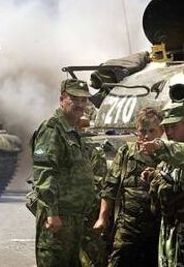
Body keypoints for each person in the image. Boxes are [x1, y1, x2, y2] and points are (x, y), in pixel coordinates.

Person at [31, 79, 95, 267]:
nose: (80, 105)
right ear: (62, 99)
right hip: (59, 217)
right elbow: (44, 171)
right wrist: (51, 213)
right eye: (75, 99)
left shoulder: (72, 131)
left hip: (74, 217)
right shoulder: (53, 129)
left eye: (84, 100)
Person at [93, 107, 163, 267]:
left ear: (161, 131)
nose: (146, 136)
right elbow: (110, 186)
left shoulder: (167, 154)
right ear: (136, 131)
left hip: (156, 229)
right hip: (128, 226)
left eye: (152, 131)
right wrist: (102, 218)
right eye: (142, 131)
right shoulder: (126, 152)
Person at [139, 104, 184, 267]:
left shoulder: (172, 150)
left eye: (174, 126)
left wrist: (159, 145)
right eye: (166, 127)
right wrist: (154, 176)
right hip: (169, 234)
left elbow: (179, 152)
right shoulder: (168, 159)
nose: (169, 132)